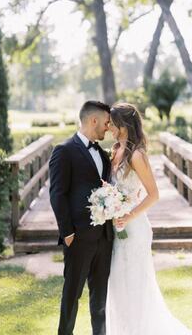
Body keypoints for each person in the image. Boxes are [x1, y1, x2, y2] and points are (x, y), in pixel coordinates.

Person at [106, 102, 192, 335]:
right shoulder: (115, 150)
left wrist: (128, 215)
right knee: (118, 284)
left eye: (112, 123)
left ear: (123, 125)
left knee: (135, 284)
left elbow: (153, 195)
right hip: (118, 228)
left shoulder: (137, 154)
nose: (109, 127)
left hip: (134, 228)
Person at [49, 100, 113, 335]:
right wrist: (67, 233)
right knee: (72, 296)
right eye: (106, 122)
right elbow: (57, 194)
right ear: (93, 120)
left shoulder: (104, 155)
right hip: (77, 238)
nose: (108, 127)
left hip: (104, 239)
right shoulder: (64, 151)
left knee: (100, 301)